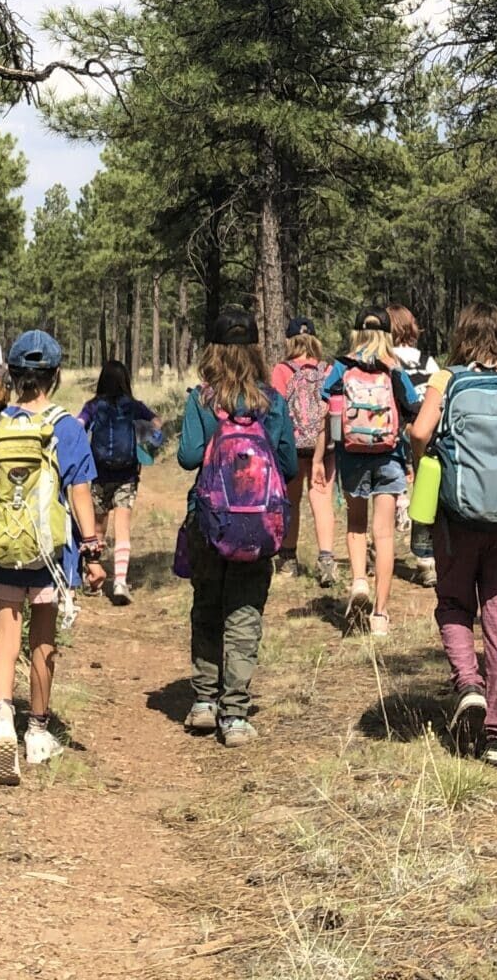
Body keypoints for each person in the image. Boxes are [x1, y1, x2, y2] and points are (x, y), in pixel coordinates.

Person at [406, 301, 497, 770]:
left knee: (454, 602)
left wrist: (425, 464)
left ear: (462, 337)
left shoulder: (447, 379)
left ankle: (469, 684)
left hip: (456, 517)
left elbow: (420, 431)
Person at [0, 329, 103, 785]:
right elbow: (79, 493)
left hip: (1, 552)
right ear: (55, 376)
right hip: (48, 555)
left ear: (15, 375)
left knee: (5, 639)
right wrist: (93, 550)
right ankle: (38, 732)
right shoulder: (68, 428)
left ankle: (2, 721)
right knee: (42, 641)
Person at [176, 305, 298, 746]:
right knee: (245, 613)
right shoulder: (273, 401)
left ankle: (204, 702)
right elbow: (287, 465)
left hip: (208, 521)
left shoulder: (201, 399)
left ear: (213, 350)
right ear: (254, 351)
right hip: (258, 527)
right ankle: (236, 713)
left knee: (208, 605)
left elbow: (188, 457)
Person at [321, 307, 421, 636]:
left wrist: (324, 455)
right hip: (389, 456)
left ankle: (360, 582)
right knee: (385, 534)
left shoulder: (341, 367)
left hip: (351, 455)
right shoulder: (393, 369)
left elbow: (327, 401)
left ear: (355, 333)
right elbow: (412, 405)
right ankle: (380, 614)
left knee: (355, 524)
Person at [77, 359, 163, 604]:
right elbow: (156, 424)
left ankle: (93, 577)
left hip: (98, 474)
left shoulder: (93, 406)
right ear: (126, 381)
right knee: (123, 526)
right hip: (126, 475)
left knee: (97, 528)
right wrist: (151, 439)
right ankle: (120, 582)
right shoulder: (133, 406)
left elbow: (78, 425)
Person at [269, 316, 336, 585]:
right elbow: (334, 411)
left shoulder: (282, 370)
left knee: (291, 502)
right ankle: (327, 560)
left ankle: (288, 560)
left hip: (293, 447)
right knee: (321, 500)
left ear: (290, 341)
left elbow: (277, 411)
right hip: (325, 445)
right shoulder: (328, 369)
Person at [389, 304, 437, 588]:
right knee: (425, 490)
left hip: (397, 432)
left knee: (392, 488)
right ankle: (426, 559)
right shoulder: (427, 361)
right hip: (426, 429)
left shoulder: (387, 359)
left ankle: (378, 544)